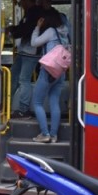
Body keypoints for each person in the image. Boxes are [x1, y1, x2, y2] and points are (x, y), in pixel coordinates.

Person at [30, 9, 68, 143]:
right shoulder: (65, 32)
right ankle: (53, 135)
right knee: (54, 101)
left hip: (48, 70)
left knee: (38, 102)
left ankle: (45, 134)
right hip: (61, 72)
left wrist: (37, 27)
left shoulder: (51, 31)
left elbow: (34, 43)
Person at [7, 0, 42, 119]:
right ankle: (7, 105)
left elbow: (25, 29)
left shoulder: (34, 13)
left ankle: (23, 109)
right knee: (13, 76)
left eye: (22, 0)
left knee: (23, 79)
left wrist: (14, 32)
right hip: (24, 50)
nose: (20, 3)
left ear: (28, 1)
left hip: (31, 51)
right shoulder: (29, 12)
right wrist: (14, 30)